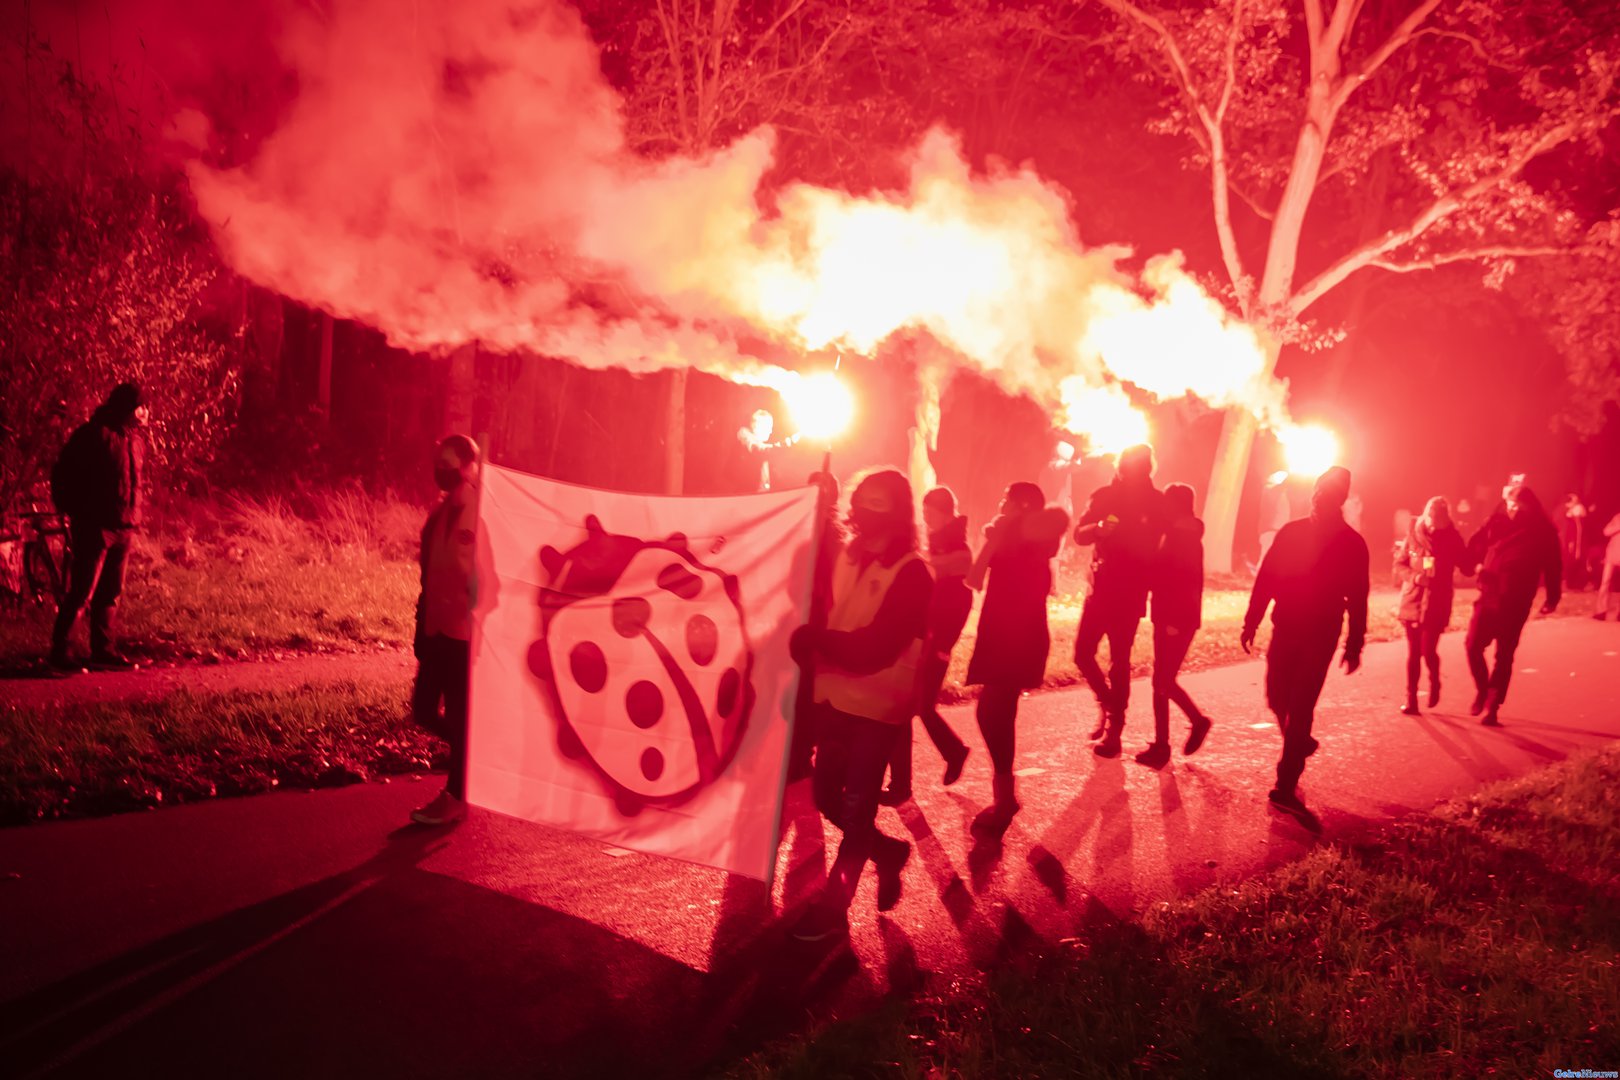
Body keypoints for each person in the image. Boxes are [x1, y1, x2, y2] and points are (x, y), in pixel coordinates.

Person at [788, 469, 932, 941]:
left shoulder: (912, 571)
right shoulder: (847, 556)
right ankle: (887, 854)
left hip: (876, 709)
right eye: (861, 500)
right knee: (827, 797)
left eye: (880, 503)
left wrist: (817, 640)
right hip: (834, 702)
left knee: (855, 812)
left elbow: (879, 645)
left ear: (901, 511)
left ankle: (833, 911)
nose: (867, 511)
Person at [1241, 467, 1369, 818]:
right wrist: (1251, 620)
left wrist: (1354, 643)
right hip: (1286, 627)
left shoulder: (1351, 543)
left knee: (1301, 705)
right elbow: (1267, 577)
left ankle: (1286, 784)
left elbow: (1359, 596)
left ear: (1338, 500)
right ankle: (1299, 742)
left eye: (1325, 495)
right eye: (1316, 493)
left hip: (1321, 633)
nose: (1318, 499)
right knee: (1275, 695)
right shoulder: (1292, 531)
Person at [964, 482, 1069, 833]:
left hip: (1009, 637)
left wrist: (992, 536)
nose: (1001, 506)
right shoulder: (1036, 547)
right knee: (997, 713)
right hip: (1018, 636)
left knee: (992, 713)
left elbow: (974, 578)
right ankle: (1005, 795)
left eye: (1005, 501)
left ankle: (1005, 798)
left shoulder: (1010, 542)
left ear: (1020, 507)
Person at [1070, 443, 1166, 759]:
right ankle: (1108, 704)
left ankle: (1115, 730)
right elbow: (1079, 535)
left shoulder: (1156, 502)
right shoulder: (1105, 497)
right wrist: (1098, 528)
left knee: (1119, 660)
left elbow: (1165, 545)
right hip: (1101, 589)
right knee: (1083, 653)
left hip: (1131, 592)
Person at [880, 486, 972, 805]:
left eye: (930, 510)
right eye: (923, 509)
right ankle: (902, 784)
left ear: (945, 511)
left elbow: (961, 598)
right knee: (904, 707)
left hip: (934, 641)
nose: (925, 515)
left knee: (920, 707)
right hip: (919, 637)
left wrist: (944, 641)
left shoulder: (956, 547)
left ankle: (953, 752)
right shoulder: (936, 543)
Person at [49, 382, 149, 670]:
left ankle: (103, 651)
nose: (145, 412)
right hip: (96, 527)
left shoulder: (135, 440)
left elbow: (133, 482)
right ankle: (61, 651)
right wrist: (74, 512)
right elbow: (64, 474)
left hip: (124, 526)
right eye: (141, 406)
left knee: (110, 593)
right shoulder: (92, 435)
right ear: (129, 408)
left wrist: (134, 516)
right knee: (83, 590)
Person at [409, 434, 482, 826]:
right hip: (437, 629)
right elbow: (428, 575)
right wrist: (421, 624)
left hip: (465, 634)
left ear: (470, 466)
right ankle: (472, 754)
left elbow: (490, 576)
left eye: (452, 461)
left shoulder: (482, 512)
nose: (444, 467)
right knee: (422, 710)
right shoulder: (437, 515)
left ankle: (456, 795)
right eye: (441, 459)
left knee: (458, 713)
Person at [1464, 483, 1561, 726]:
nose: (1514, 509)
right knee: (1473, 645)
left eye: (1519, 505)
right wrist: (1471, 564)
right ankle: (1483, 691)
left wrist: (1552, 598)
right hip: (1488, 594)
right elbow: (1475, 545)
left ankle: (1493, 707)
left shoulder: (1543, 531)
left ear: (1530, 506)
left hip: (1517, 600)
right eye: (1511, 504)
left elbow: (1553, 566)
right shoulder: (1496, 522)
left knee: (1504, 654)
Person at [1135, 483, 1211, 768]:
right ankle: (1162, 744)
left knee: (1163, 681)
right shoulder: (1179, 534)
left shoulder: (1183, 538)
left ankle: (1194, 723)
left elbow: (1184, 581)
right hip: (1170, 615)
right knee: (1161, 681)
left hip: (1175, 618)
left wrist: (1175, 622)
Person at [1392, 496, 1469, 714]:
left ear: (1446, 519)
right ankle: (1411, 699)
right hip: (1412, 600)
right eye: (1432, 519)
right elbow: (1399, 564)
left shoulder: (1452, 538)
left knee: (1428, 650)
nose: (1434, 524)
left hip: (1437, 601)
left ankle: (1435, 680)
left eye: (1439, 520)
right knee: (1413, 653)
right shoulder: (1414, 534)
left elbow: (1466, 565)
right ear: (1426, 515)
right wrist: (1416, 578)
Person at [1595, 510, 1620, 621]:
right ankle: (1601, 611)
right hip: (1612, 555)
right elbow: (1606, 531)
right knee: (1605, 583)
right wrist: (1618, 526)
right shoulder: (1617, 517)